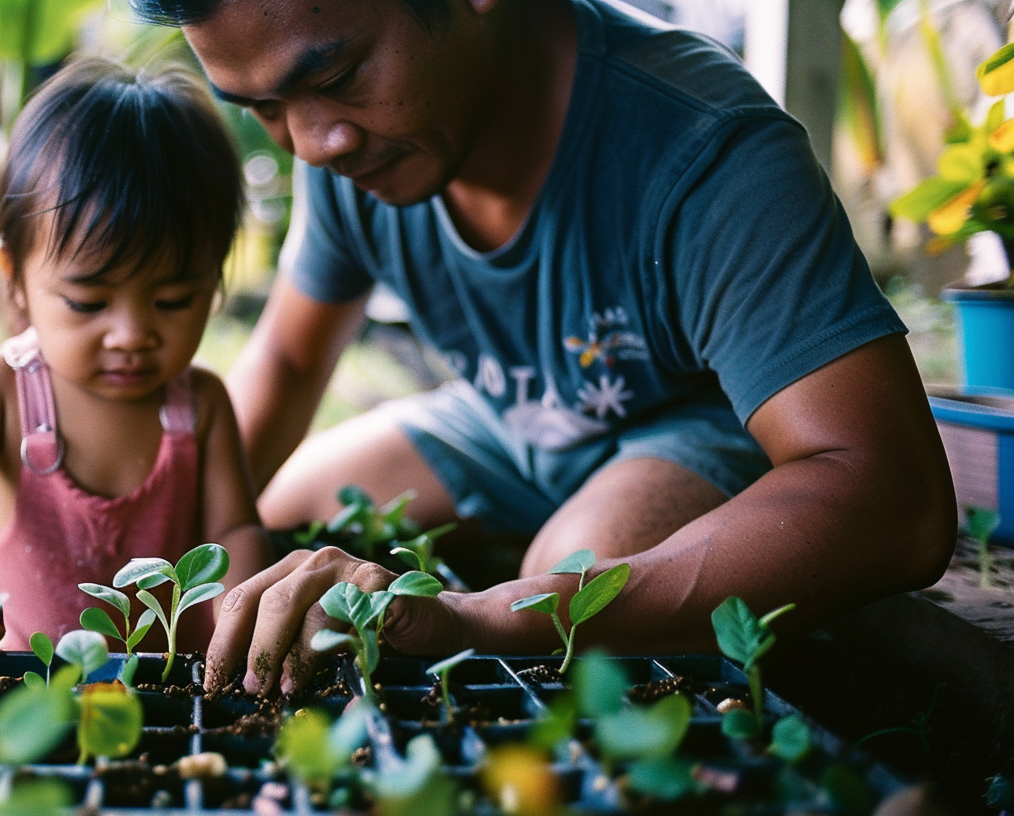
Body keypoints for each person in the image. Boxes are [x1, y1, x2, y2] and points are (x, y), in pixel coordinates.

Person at [128, 0, 958, 693]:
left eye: (336, 78)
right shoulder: (353, 142)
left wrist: (476, 614)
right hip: (503, 419)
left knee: (568, 574)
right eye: (263, 108)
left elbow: (892, 499)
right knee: (270, 524)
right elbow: (290, 359)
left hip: (690, 428)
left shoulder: (704, 147)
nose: (310, 143)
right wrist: (141, 546)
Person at [0, 58, 270, 651]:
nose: (131, 333)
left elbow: (234, 531)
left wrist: (240, 611)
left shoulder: (199, 406)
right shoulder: (1, 391)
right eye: (87, 302)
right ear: (15, 278)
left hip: (169, 696)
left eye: (175, 299)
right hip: (19, 689)